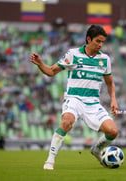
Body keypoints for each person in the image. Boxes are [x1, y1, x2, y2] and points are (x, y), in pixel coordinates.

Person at [30, 25, 119, 170]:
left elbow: (110, 83)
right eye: (98, 41)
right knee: (67, 122)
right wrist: (41, 64)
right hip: (74, 98)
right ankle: (50, 160)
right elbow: (51, 71)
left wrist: (113, 99)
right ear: (88, 39)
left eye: (103, 42)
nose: (100, 45)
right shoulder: (73, 54)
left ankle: (96, 150)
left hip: (93, 103)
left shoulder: (105, 59)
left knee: (113, 131)